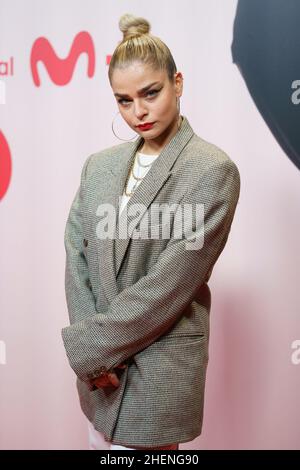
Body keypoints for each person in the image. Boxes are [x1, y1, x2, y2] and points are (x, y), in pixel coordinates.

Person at [61, 13, 241, 451]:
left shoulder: (212, 170)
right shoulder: (98, 166)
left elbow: (171, 284)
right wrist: (91, 357)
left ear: (177, 84)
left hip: (156, 374)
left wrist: (94, 349)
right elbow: (77, 254)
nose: (138, 111)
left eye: (150, 93)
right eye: (124, 100)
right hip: (97, 383)